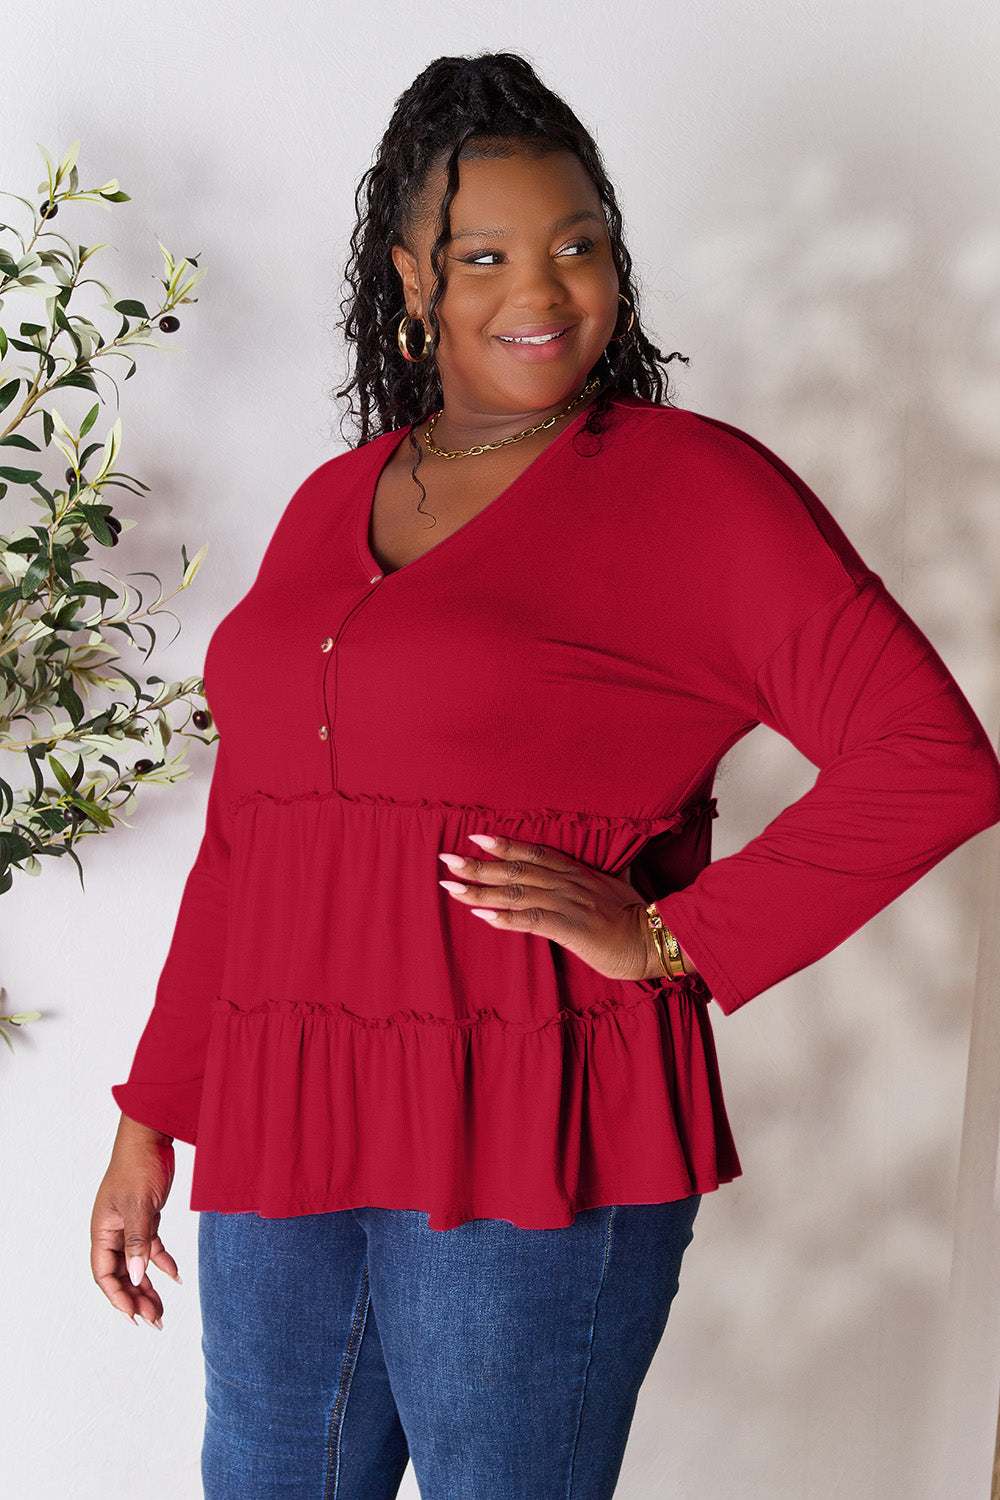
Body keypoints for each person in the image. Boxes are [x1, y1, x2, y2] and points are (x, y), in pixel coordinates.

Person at [90, 51, 1000, 1500]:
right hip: (289, 1106)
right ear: (410, 277)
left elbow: (934, 762)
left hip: (532, 1114)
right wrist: (155, 1112)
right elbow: (255, 841)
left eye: (582, 245)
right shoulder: (339, 497)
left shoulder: (696, 490)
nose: (545, 288)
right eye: (488, 254)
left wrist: (666, 936)